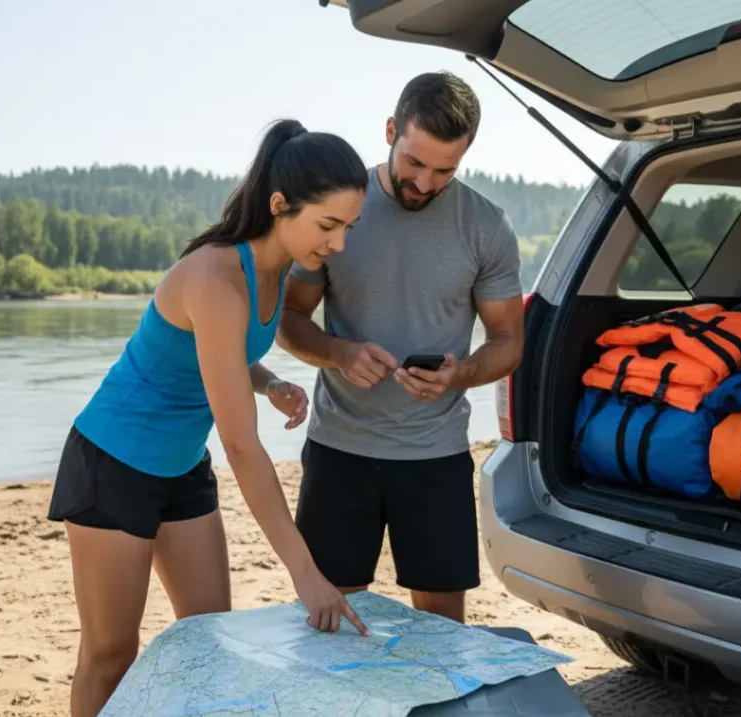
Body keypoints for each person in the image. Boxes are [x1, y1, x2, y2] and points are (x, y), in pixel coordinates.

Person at [45, 119, 370, 717]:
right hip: (113, 463)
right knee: (110, 653)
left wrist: (268, 381)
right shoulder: (217, 276)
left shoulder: (275, 273)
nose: (339, 244)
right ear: (280, 205)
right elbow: (243, 449)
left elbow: (220, 356)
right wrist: (305, 573)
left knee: (207, 639)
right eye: (328, 225)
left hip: (181, 468)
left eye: (348, 227)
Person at [276, 72, 525, 624]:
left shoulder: (486, 226)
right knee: (328, 620)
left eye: (445, 170)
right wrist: (339, 353)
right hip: (340, 449)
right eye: (414, 162)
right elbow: (288, 318)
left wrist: (460, 375)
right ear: (391, 130)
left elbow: (509, 342)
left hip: (435, 455)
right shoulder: (338, 209)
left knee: (441, 629)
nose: (425, 182)